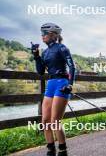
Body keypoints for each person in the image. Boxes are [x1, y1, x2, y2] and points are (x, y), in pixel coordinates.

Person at [31, 23, 75, 156]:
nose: (42, 36)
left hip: (62, 83)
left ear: (53, 35)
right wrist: (36, 56)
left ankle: (63, 150)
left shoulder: (62, 48)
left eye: (44, 34)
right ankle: (51, 149)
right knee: (45, 120)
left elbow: (72, 67)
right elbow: (40, 71)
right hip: (50, 84)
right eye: (42, 34)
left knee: (55, 121)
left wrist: (70, 84)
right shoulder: (45, 52)